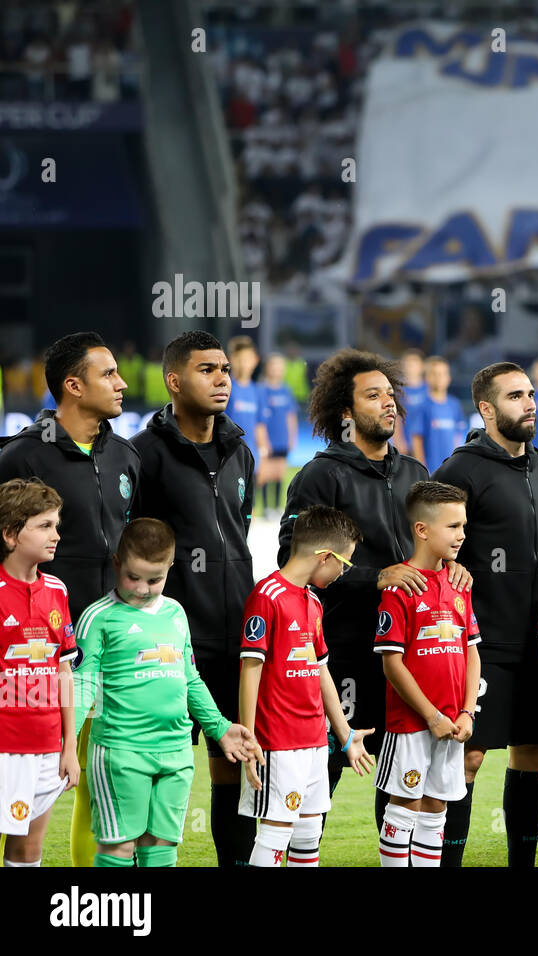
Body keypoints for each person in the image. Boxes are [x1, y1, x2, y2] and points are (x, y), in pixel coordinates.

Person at [278, 349, 444, 833]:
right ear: (346, 412)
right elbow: (292, 562)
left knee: (402, 781)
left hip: (407, 654)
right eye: (373, 396)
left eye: (391, 395)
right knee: (322, 772)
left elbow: (433, 545)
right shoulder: (320, 475)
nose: (388, 404)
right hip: (342, 651)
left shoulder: (415, 472)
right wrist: (374, 577)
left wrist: (453, 569)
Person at [0, 331, 138, 868]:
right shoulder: (20, 457)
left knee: (98, 786)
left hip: (116, 648)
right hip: (39, 659)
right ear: (73, 386)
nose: (122, 383)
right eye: (109, 374)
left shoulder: (128, 457)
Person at [131, 331, 256, 868]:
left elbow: (239, 532)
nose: (222, 377)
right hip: (170, 641)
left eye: (225, 368)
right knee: (159, 765)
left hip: (238, 634)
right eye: (208, 369)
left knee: (232, 756)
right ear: (174, 380)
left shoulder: (239, 448)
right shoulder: (141, 455)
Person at [433, 362, 538, 867]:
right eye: (514, 396)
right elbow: (424, 535)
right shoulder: (459, 470)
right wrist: (450, 567)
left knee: (531, 752)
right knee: (469, 757)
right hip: (482, 645)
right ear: (486, 409)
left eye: (530, 394)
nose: (529, 403)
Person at [72, 518, 254, 867]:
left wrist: (219, 727)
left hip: (176, 752)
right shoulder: (97, 618)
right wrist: (64, 742)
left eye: (154, 579)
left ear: (170, 568)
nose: (142, 588)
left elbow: (188, 677)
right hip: (121, 753)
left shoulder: (175, 613)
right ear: (116, 563)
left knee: (162, 847)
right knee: (119, 848)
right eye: (133, 577)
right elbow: (80, 685)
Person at [239, 505, 374, 867]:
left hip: (315, 740)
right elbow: (250, 669)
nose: (344, 572)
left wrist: (344, 734)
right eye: (344, 564)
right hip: (277, 742)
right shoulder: (266, 597)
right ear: (324, 557)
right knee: (275, 834)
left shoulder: (313, 602)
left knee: (309, 834)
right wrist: (248, 737)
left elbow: (320, 671)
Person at [374, 482, 480, 868]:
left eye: (463, 525)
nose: (462, 535)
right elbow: (392, 663)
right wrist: (431, 716)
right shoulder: (400, 587)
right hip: (411, 724)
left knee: (437, 806)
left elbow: (471, 651)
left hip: (452, 720)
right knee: (406, 804)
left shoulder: (458, 584)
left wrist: (467, 711)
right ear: (422, 530)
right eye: (453, 526)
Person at [0, 479, 78, 866]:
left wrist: (70, 746)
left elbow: (64, 672)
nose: (56, 535)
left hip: (47, 746)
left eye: (57, 525)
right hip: (4, 746)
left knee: (29, 849)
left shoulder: (58, 591)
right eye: (45, 526)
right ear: (11, 534)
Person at [258, 353, 297, 516]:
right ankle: (266, 506)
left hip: (282, 438)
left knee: (280, 473)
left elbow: (291, 416)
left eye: (280, 367)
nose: (277, 370)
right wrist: (263, 440)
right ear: (268, 368)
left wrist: (292, 437)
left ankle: (276, 506)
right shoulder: (262, 390)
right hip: (268, 438)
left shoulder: (286, 390)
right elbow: (259, 418)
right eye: (274, 366)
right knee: (266, 473)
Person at [227, 336, 268, 478]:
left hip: (251, 461)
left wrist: (263, 456)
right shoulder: (225, 388)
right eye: (240, 359)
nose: (244, 364)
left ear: (255, 360)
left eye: (247, 359)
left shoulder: (257, 391)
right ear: (231, 360)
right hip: (228, 461)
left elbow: (259, 426)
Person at [416, 356, 467, 471]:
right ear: (427, 378)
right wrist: (422, 469)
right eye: (434, 374)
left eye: (442, 374)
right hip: (431, 469)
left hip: (451, 469)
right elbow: (417, 440)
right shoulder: (423, 406)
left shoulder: (454, 404)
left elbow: (458, 437)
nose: (439, 378)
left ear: (448, 378)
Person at [396, 349, 428, 459]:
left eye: (414, 364)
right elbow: (396, 417)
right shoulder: (398, 391)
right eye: (408, 364)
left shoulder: (429, 389)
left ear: (422, 366)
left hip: (428, 442)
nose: (411, 367)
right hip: (407, 444)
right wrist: (398, 440)